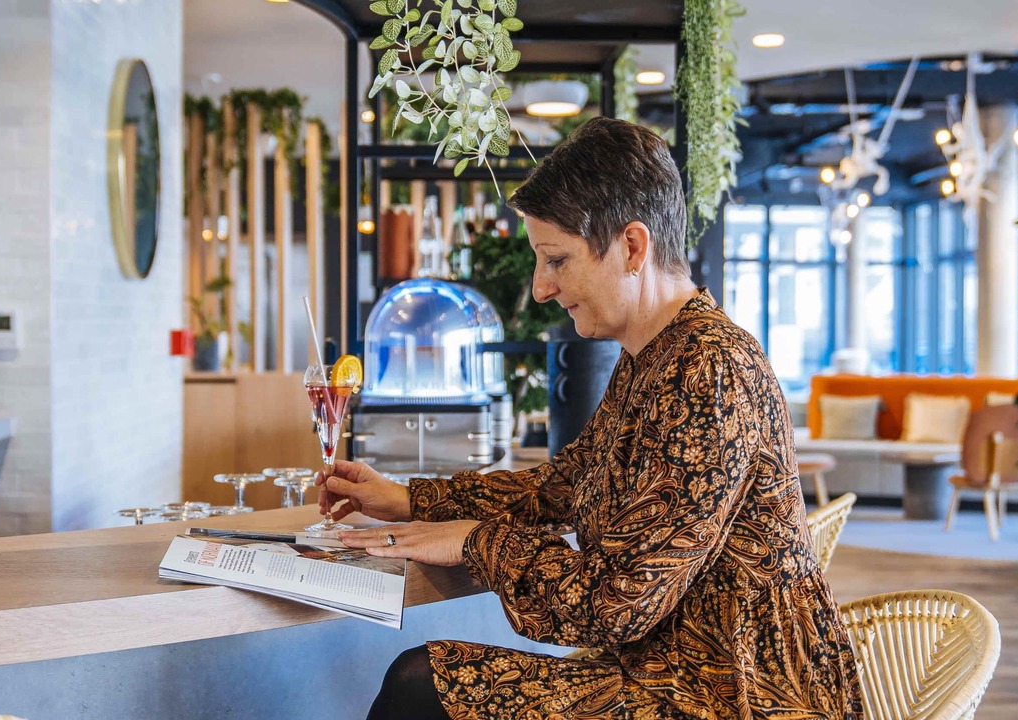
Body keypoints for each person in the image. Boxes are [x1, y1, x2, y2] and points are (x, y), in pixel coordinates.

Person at [319, 117, 863, 719]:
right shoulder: (652, 355)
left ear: (632, 247)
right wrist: (411, 501)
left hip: (737, 694)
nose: (540, 288)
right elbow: (565, 484)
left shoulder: (708, 370)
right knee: (421, 680)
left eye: (557, 260)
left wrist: (477, 541)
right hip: (669, 670)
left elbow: (614, 603)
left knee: (419, 684)